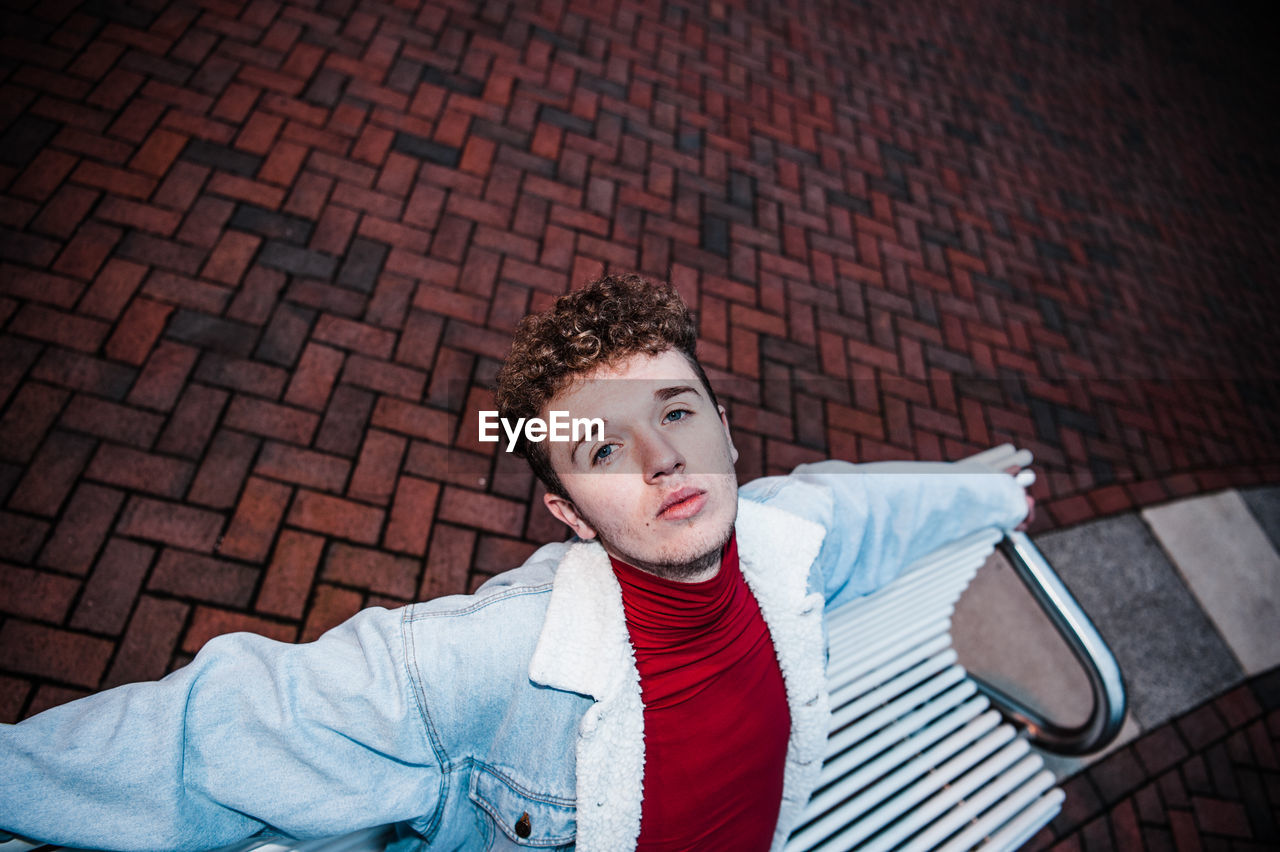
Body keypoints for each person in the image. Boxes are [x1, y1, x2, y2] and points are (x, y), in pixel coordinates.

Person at [0, 274, 1032, 851]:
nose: (660, 455)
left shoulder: (790, 536)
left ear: (723, 428)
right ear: (564, 512)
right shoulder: (488, 663)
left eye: (675, 411)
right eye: (600, 448)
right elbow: (212, 733)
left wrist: (996, 493)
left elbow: (884, 508)